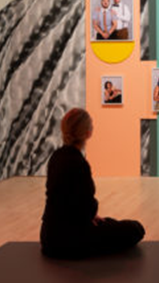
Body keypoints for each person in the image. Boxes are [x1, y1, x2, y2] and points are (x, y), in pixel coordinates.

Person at [41, 108, 145, 258]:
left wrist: (91, 215)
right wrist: (90, 215)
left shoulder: (56, 157)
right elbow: (86, 205)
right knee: (136, 229)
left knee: (110, 223)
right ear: (87, 133)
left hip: (49, 236)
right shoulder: (79, 163)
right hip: (70, 239)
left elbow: (66, 200)